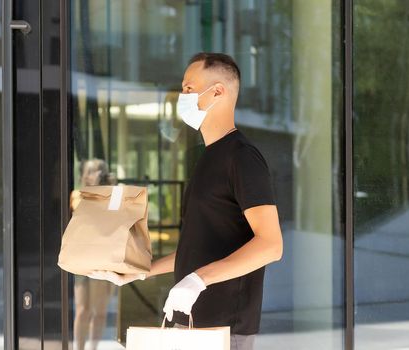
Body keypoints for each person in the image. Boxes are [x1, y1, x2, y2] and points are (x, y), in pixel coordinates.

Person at [91, 52, 283, 350]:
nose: (182, 96)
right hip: (189, 321)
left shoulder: (242, 157)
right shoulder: (206, 157)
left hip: (224, 327)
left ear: (218, 91)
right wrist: (141, 271)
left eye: (189, 89)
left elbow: (271, 245)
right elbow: (197, 250)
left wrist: (198, 281)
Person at [71, 159, 117, 350]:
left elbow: (116, 216)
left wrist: (112, 189)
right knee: (82, 310)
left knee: (100, 312)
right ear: (84, 175)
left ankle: (93, 348)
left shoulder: (112, 195)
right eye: (91, 172)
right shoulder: (77, 195)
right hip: (83, 258)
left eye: (99, 172)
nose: (94, 175)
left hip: (105, 258)